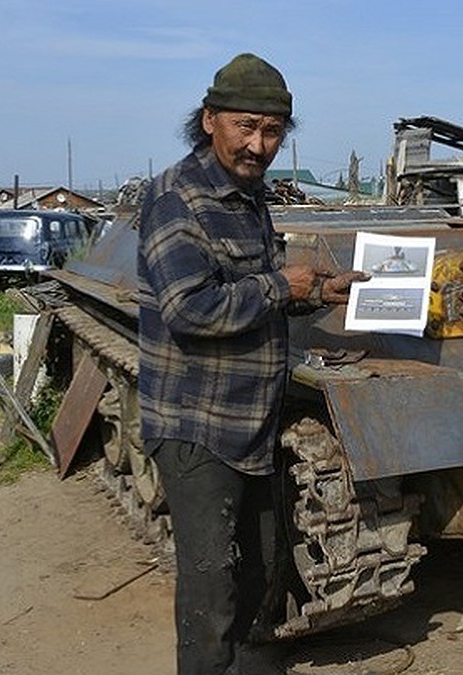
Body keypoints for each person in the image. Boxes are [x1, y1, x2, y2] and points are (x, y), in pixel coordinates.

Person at [137, 52, 366, 674]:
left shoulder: (248, 198)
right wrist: (282, 288)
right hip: (197, 428)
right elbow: (190, 309)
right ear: (209, 120)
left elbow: (252, 294)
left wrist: (318, 292)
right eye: (246, 127)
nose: (259, 145)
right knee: (210, 591)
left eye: (272, 132)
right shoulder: (176, 200)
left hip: (251, 424)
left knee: (263, 567)